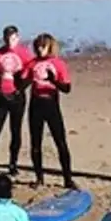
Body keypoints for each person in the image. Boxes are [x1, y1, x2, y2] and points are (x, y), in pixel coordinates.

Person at [24, 34, 76, 188]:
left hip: (52, 104)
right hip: (35, 104)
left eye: (43, 47)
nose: (40, 50)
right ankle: (39, 178)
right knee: (35, 143)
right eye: (38, 47)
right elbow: (22, 83)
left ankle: (68, 178)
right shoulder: (32, 64)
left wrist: (53, 80)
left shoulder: (58, 64)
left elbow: (67, 88)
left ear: (50, 47)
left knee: (60, 142)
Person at [0, 25, 32, 174]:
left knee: (15, 131)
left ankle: (13, 164)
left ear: (17, 38)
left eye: (12, 38)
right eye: (7, 38)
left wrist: (19, 89)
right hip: (1, 98)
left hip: (17, 98)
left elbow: (30, 74)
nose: (9, 41)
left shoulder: (25, 53)